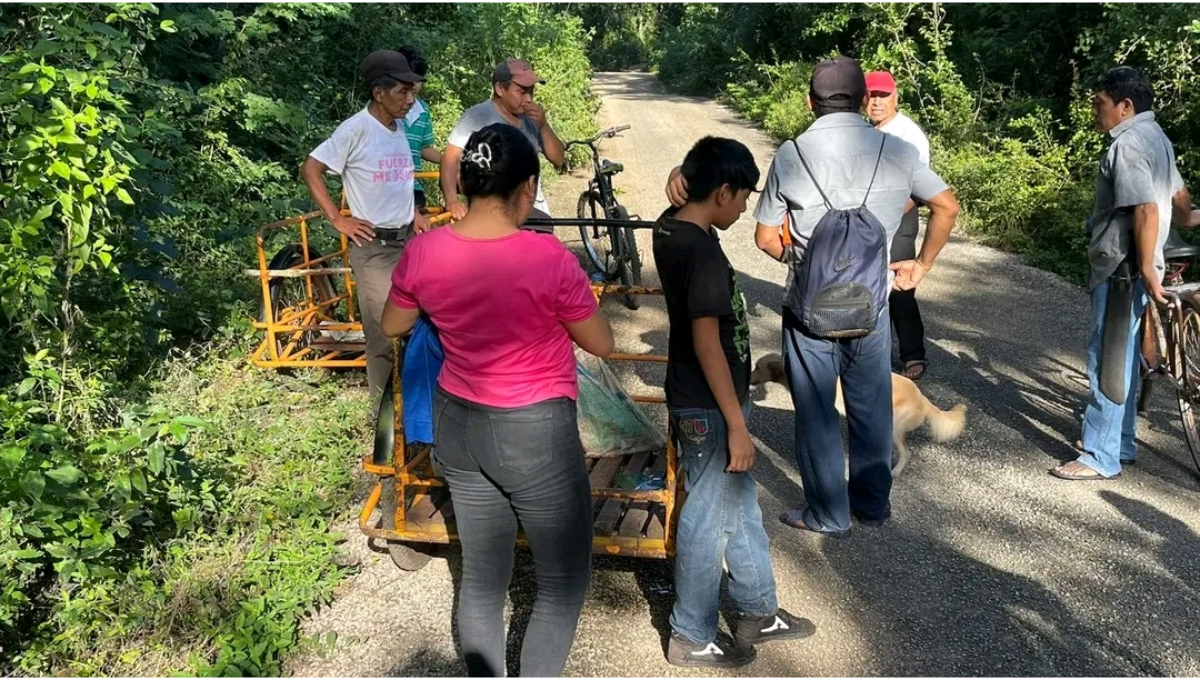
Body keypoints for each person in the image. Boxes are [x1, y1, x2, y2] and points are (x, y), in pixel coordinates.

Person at [380, 123, 614, 677]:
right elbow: (601, 342)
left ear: (462, 183)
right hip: (534, 433)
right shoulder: (549, 259)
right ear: (528, 187)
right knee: (561, 583)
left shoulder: (424, 250)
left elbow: (394, 323)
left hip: (459, 424)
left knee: (484, 577)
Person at [752, 55, 959, 537]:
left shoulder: (791, 154)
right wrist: (920, 265)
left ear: (810, 101)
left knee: (818, 410)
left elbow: (765, 237)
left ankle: (827, 511)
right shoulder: (899, 151)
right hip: (874, 305)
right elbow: (946, 206)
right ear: (866, 100)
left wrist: (799, 261)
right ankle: (872, 503)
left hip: (809, 311)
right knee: (869, 407)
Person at [652, 136, 816, 669]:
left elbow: (682, 190)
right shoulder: (698, 251)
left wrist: (681, 175)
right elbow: (706, 344)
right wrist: (737, 425)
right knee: (707, 518)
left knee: (737, 507)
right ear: (721, 190)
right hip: (710, 405)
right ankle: (690, 633)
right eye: (743, 196)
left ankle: (757, 610)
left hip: (704, 400)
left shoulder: (671, 226)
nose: (746, 207)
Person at [1052, 66, 1200, 481]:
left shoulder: (1129, 144)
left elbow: (1146, 209)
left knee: (1108, 357)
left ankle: (1100, 456)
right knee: (1127, 354)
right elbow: (1181, 205)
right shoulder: (1157, 137)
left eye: (1100, 104)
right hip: (1138, 262)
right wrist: (1179, 229)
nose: (1096, 112)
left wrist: (1151, 274)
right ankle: (1122, 442)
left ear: (1125, 106)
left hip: (1122, 264)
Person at [301, 50, 430, 424]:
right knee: (383, 334)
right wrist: (337, 220)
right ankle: (386, 423)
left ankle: (418, 407)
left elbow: (397, 180)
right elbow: (310, 168)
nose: (411, 99)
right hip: (373, 248)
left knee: (421, 321)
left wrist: (415, 213)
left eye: (412, 91)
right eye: (403, 92)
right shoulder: (355, 129)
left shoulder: (399, 126)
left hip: (406, 240)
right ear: (378, 93)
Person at [866, 70, 933, 381]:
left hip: (900, 217)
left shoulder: (908, 135)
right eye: (871, 95)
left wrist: (886, 218)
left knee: (899, 285)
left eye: (883, 95)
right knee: (868, 283)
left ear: (896, 97)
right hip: (870, 219)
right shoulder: (869, 131)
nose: (876, 101)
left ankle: (912, 354)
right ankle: (872, 352)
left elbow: (916, 190)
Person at [440, 58, 566, 219]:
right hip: (492, 214)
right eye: (521, 92)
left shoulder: (533, 119)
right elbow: (450, 157)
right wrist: (452, 200)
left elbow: (559, 159)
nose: (528, 99)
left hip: (532, 208)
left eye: (531, 92)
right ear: (500, 88)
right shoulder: (478, 117)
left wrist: (543, 125)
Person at [397, 46, 442, 212]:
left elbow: (424, 148)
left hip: (414, 186)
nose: (413, 85)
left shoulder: (423, 110)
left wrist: (450, 161)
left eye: (417, 80)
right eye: (407, 80)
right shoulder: (380, 110)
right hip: (387, 186)